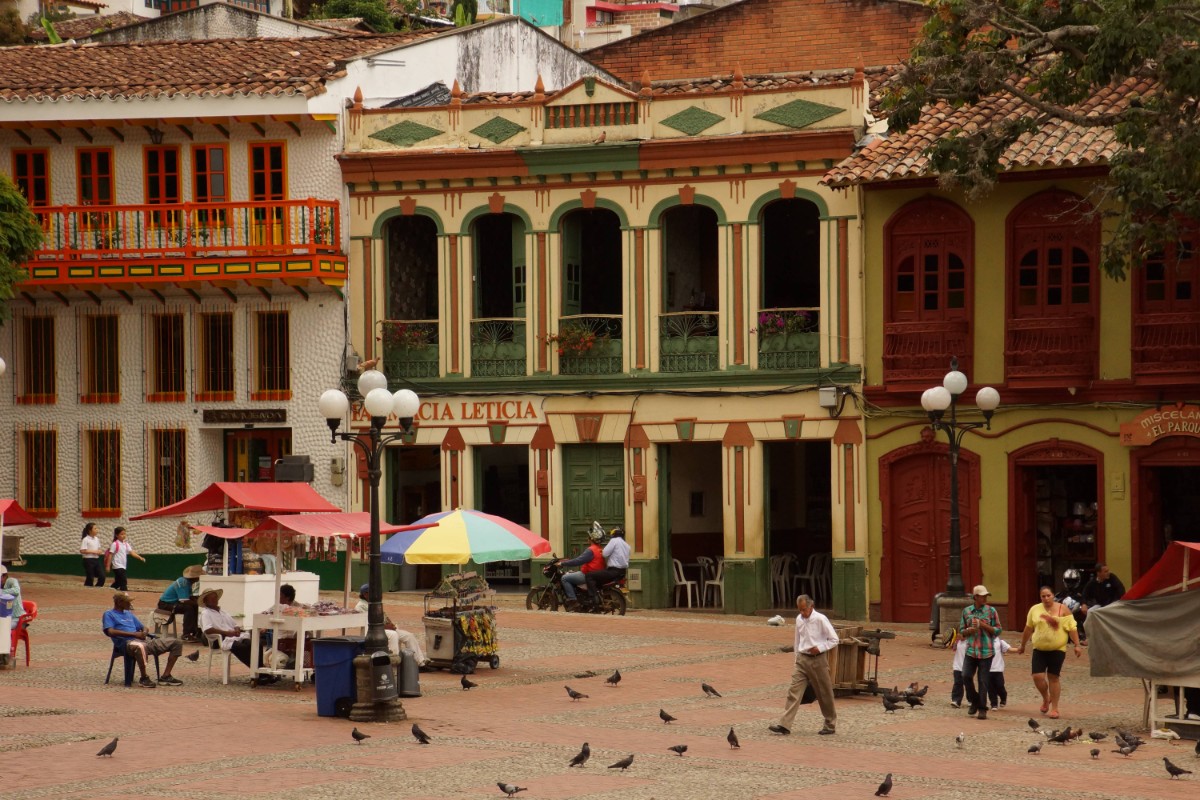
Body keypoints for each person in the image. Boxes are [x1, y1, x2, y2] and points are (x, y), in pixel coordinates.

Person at [769, 594, 839, 736]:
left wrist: (819, 648)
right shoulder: (799, 619)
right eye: (799, 610)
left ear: (811, 606)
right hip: (802, 659)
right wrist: (796, 658)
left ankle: (830, 724)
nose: (802, 613)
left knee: (824, 693)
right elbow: (797, 640)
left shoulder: (820, 619)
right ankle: (785, 724)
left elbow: (834, 639)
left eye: (804, 610)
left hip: (818, 659)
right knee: (793, 691)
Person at [1016, 585, 1082, 719]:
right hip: (1039, 649)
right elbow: (1028, 628)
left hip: (1057, 649)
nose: (1046, 598)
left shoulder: (1062, 609)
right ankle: (1046, 698)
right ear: (1040, 597)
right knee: (1037, 676)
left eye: (1048, 595)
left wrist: (1077, 645)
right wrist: (1022, 645)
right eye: (1043, 596)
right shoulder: (1034, 610)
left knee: (1053, 677)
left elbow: (1072, 628)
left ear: (1053, 595)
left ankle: (1055, 708)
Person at [102, 592, 184, 688]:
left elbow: (143, 627)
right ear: (119, 603)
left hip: (142, 640)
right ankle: (144, 678)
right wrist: (134, 634)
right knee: (141, 646)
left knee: (176, 643)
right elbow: (111, 632)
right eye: (128, 602)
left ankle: (166, 676)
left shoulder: (129, 614)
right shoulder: (109, 614)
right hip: (126, 643)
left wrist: (144, 632)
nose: (130, 604)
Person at [199, 587, 276, 682]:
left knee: (255, 644)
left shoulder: (223, 612)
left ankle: (259, 671)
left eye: (215, 597)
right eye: (211, 598)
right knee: (241, 647)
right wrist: (227, 633)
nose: (214, 600)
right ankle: (258, 673)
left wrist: (236, 629)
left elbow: (234, 624)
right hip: (218, 639)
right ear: (206, 601)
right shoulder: (206, 613)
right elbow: (208, 630)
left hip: (232, 636)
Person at [354, 584, 429, 667]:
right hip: (373, 632)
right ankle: (395, 662)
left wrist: (391, 625)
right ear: (365, 594)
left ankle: (420, 663)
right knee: (394, 635)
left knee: (408, 636)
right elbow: (371, 623)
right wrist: (386, 627)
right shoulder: (361, 606)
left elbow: (384, 617)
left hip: (385, 628)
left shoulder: (374, 602)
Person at [958, 585, 1001, 721]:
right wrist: (968, 631)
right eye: (982, 596)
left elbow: (998, 630)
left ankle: (982, 708)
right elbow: (961, 631)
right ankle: (974, 700)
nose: (985, 598)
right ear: (975, 597)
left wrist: (983, 625)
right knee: (965, 676)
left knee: (983, 681)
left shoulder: (991, 611)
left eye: (986, 596)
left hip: (986, 650)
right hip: (971, 650)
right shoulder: (967, 611)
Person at [557, 526, 605, 612]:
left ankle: (573, 600)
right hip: (597, 574)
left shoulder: (591, 550)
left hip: (587, 574)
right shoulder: (599, 549)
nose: (587, 538)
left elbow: (578, 561)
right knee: (572, 574)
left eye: (589, 537)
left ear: (591, 539)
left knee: (564, 578)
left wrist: (562, 563)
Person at [584, 526, 630, 607]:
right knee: (599, 580)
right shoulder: (626, 545)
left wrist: (602, 551)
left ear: (613, 533)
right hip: (622, 572)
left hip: (613, 571)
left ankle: (594, 598)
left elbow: (605, 554)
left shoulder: (614, 541)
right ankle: (602, 596)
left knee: (589, 576)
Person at [1079, 562, 1125, 642]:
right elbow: (1084, 593)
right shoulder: (1093, 582)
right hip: (1101, 605)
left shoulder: (1112, 578)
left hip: (1114, 605)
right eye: (1105, 571)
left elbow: (1121, 590)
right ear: (1099, 573)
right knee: (1090, 612)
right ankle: (1090, 638)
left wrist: (1116, 603)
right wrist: (1083, 604)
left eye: (1108, 570)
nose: (1108, 573)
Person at [156, 565, 203, 641]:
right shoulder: (183, 582)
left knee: (195, 607)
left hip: (173, 602)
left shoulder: (188, 583)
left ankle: (195, 630)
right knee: (189, 608)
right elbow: (184, 600)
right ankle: (186, 634)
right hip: (165, 604)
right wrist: (198, 603)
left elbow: (190, 597)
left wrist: (199, 600)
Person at [106, 527, 144, 592]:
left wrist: (140, 557)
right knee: (123, 581)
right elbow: (110, 555)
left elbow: (132, 552)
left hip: (123, 566)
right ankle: (124, 594)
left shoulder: (126, 544)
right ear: (117, 535)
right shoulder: (115, 544)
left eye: (124, 534)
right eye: (121, 534)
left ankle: (110, 590)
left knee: (118, 582)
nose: (124, 536)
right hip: (117, 566)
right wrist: (108, 566)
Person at [987, 638, 1012, 710]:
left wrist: (1019, 649)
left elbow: (1009, 649)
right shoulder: (984, 640)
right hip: (987, 669)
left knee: (1000, 685)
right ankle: (993, 704)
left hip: (998, 668)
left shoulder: (1000, 642)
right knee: (990, 688)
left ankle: (1003, 696)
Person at [80, 523, 106, 587]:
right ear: (89, 530)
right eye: (95, 528)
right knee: (90, 577)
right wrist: (94, 551)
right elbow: (82, 550)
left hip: (96, 559)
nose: (97, 530)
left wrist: (99, 551)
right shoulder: (85, 539)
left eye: (97, 528)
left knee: (102, 576)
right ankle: (88, 588)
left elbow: (99, 549)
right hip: (88, 560)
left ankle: (98, 587)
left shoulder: (97, 539)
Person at [949, 631, 966, 708]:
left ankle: (971, 699)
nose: (959, 635)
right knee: (957, 683)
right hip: (957, 666)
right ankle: (956, 700)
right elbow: (953, 648)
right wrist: (953, 641)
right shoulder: (958, 641)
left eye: (961, 634)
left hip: (967, 666)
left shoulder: (970, 642)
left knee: (968, 684)